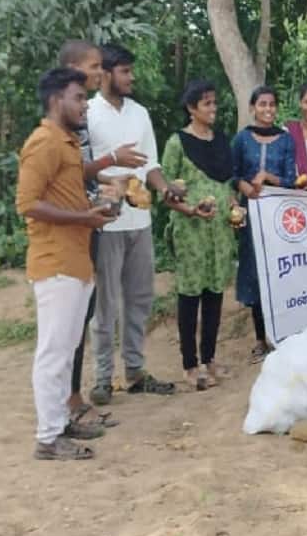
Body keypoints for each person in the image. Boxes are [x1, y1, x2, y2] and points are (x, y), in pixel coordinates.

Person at [17, 67, 117, 460]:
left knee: (68, 347)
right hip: (55, 261)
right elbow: (27, 203)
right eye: (78, 98)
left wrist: (92, 210)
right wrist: (84, 219)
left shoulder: (68, 143)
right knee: (54, 353)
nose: (84, 106)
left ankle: (60, 423)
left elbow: (62, 198)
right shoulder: (43, 142)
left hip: (75, 261)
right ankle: (47, 438)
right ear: (57, 99)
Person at [86, 44, 182, 406]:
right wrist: (112, 182)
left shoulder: (140, 113)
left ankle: (136, 371)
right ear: (107, 73)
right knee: (106, 304)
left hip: (139, 220)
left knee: (140, 299)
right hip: (104, 221)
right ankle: (102, 378)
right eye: (125, 71)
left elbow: (151, 166)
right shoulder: (89, 112)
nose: (132, 77)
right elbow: (82, 169)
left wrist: (165, 188)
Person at [56, 40, 144, 429]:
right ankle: (65, 407)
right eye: (94, 66)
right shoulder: (62, 121)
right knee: (72, 322)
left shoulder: (79, 116)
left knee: (82, 314)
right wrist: (112, 161)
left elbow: (82, 170)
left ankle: (74, 399)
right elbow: (63, 174)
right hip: (70, 233)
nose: (99, 71)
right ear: (74, 67)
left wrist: (110, 179)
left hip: (90, 222)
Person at [161, 80, 236, 390]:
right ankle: (190, 365)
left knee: (215, 293)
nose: (213, 108)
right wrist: (190, 210)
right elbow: (166, 192)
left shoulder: (220, 141)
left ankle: (210, 358)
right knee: (190, 296)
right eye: (206, 104)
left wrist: (233, 208)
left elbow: (226, 183)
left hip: (219, 232)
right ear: (192, 109)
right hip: (191, 231)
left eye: (214, 102)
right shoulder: (177, 143)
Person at [233, 85, 297, 361]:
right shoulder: (241, 140)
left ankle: (282, 333)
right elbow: (231, 174)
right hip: (251, 215)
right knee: (255, 274)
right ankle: (260, 337)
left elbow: (292, 181)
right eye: (262, 104)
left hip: (279, 217)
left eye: (272, 104)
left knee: (280, 272)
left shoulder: (285, 140)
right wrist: (245, 187)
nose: (268, 109)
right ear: (252, 108)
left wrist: (269, 178)